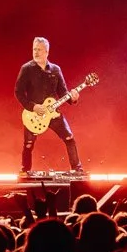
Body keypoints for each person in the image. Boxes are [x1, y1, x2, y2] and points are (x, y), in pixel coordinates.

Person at [16, 37, 81, 175]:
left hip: (53, 113)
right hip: (34, 114)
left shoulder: (56, 70)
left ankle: (77, 169)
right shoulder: (26, 69)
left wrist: (73, 98)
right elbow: (18, 92)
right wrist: (33, 107)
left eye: (39, 50)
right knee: (28, 144)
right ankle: (25, 171)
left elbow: (63, 92)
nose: (36, 52)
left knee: (69, 138)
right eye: (34, 49)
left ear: (47, 51)